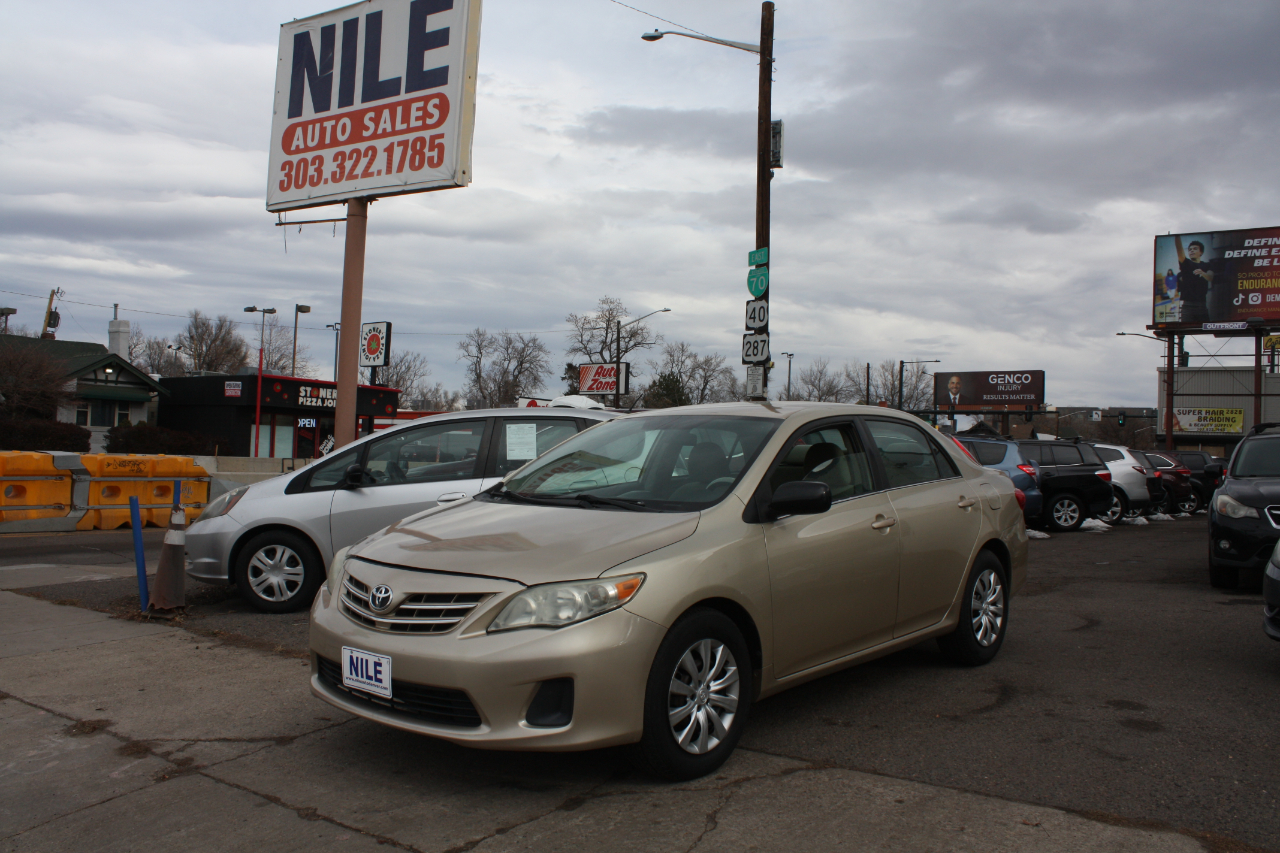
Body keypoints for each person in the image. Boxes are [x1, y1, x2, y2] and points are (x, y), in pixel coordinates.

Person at [1175, 237, 1213, 323]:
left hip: (1202, 306)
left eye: (1195, 249)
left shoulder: (1207, 265)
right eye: (1190, 249)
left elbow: (1211, 277)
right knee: (1181, 331)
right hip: (1187, 306)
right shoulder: (1186, 264)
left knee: (1209, 329)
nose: (1191, 251)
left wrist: (1203, 274)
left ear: (1201, 252)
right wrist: (1176, 236)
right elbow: (1179, 251)